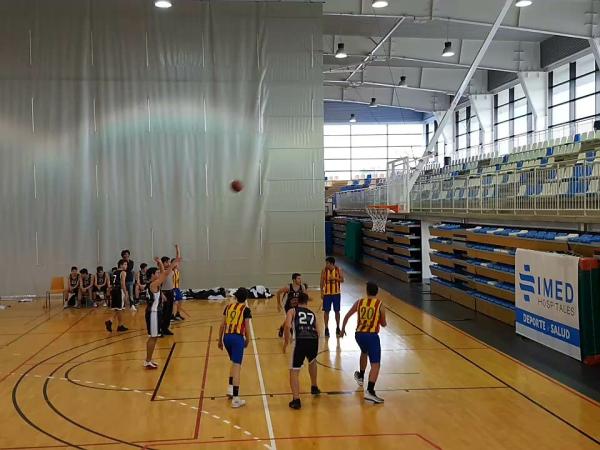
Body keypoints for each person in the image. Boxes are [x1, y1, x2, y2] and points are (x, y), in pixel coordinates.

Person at [340, 281, 387, 404]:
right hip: (371, 336)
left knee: (364, 352)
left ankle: (361, 376)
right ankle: (370, 391)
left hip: (359, 335)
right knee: (376, 365)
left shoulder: (359, 302)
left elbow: (347, 316)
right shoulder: (380, 304)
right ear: (377, 292)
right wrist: (382, 321)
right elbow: (383, 323)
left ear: (367, 291)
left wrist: (342, 330)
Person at [283, 292, 321, 410]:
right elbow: (318, 331)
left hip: (300, 340)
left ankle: (296, 399)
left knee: (294, 370)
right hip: (313, 340)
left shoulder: (292, 311)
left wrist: (286, 342)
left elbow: (288, 326)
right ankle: (314, 386)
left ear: (297, 301)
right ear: (306, 302)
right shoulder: (312, 313)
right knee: (312, 362)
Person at [144, 257, 181, 369]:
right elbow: (165, 274)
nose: (158, 273)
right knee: (153, 337)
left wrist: (160, 263)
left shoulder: (154, 284)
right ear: (151, 275)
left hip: (155, 312)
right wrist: (173, 264)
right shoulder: (153, 285)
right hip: (153, 313)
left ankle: (148, 359)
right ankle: (147, 360)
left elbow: (163, 274)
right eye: (156, 273)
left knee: (154, 336)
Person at [217, 287, 252, 408]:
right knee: (237, 366)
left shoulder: (228, 307)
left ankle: (230, 389)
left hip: (227, 337)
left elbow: (222, 325)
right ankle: (236, 399)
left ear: (236, 297)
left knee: (233, 362)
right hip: (237, 338)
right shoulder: (246, 309)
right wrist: (248, 340)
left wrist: (220, 340)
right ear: (246, 298)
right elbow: (247, 327)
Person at [276, 273, 307, 338]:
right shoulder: (288, 287)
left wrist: (305, 306)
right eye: (298, 278)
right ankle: (289, 329)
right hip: (288, 305)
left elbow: (305, 297)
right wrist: (278, 304)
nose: (300, 280)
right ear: (294, 280)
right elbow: (278, 292)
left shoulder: (302, 287)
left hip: (297, 305)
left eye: (300, 278)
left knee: (291, 318)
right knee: (291, 319)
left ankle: (282, 327)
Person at [320, 256, 344, 337]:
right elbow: (321, 282)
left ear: (331, 263)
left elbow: (342, 280)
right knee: (326, 311)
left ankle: (338, 327)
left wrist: (335, 278)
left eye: (327, 263)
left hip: (336, 293)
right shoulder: (324, 270)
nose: (326, 264)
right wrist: (321, 292)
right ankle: (326, 328)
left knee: (337, 311)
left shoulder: (338, 269)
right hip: (327, 294)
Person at [105, 259, 129, 333]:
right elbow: (122, 284)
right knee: (120, 309)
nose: (126, 266)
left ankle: (116, 323)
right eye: (125, 264)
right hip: (119, 291)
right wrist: (126, 293)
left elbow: (112, 283)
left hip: (114, 290)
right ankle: (115, 323)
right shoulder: (123, 272)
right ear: (121, 265)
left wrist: (109, 291)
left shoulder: (114, 272)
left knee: (117, 308)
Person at [161, 245, 179, 335]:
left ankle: (166, 328)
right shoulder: (160, 271)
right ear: (163, 263)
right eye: (167, 262)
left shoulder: (170, 270)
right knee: (164, 311)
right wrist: (161, 294)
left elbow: (176, 259)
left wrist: (177, 249)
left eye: (169, 262)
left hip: (171, 291)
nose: (168, 263)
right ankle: (161, 328)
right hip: (164, 293)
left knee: (169, 312)